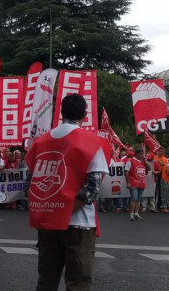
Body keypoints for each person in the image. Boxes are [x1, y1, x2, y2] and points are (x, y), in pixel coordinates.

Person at [25, 94, 109, 291]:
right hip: (78, 223)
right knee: (78, 281)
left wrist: (51, 209)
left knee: (46, 279)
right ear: (85, 114)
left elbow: (30, 184)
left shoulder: (40, 141)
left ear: (60, 113)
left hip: (47, 222)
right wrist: (65, 208)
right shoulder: (92, 142)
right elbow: (92, 189)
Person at [125, 147, 150, 221]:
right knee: (134, 198)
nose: (143, 155)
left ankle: (136, 213)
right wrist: (128, 182)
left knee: (139, 199)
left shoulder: (142, 161)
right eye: (141, 154)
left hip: (141, 183)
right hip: (133, 183)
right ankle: (131, 214)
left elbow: (149, 169)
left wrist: (145, 161)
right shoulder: (130, 161)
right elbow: (126, 171)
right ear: (137, 154)